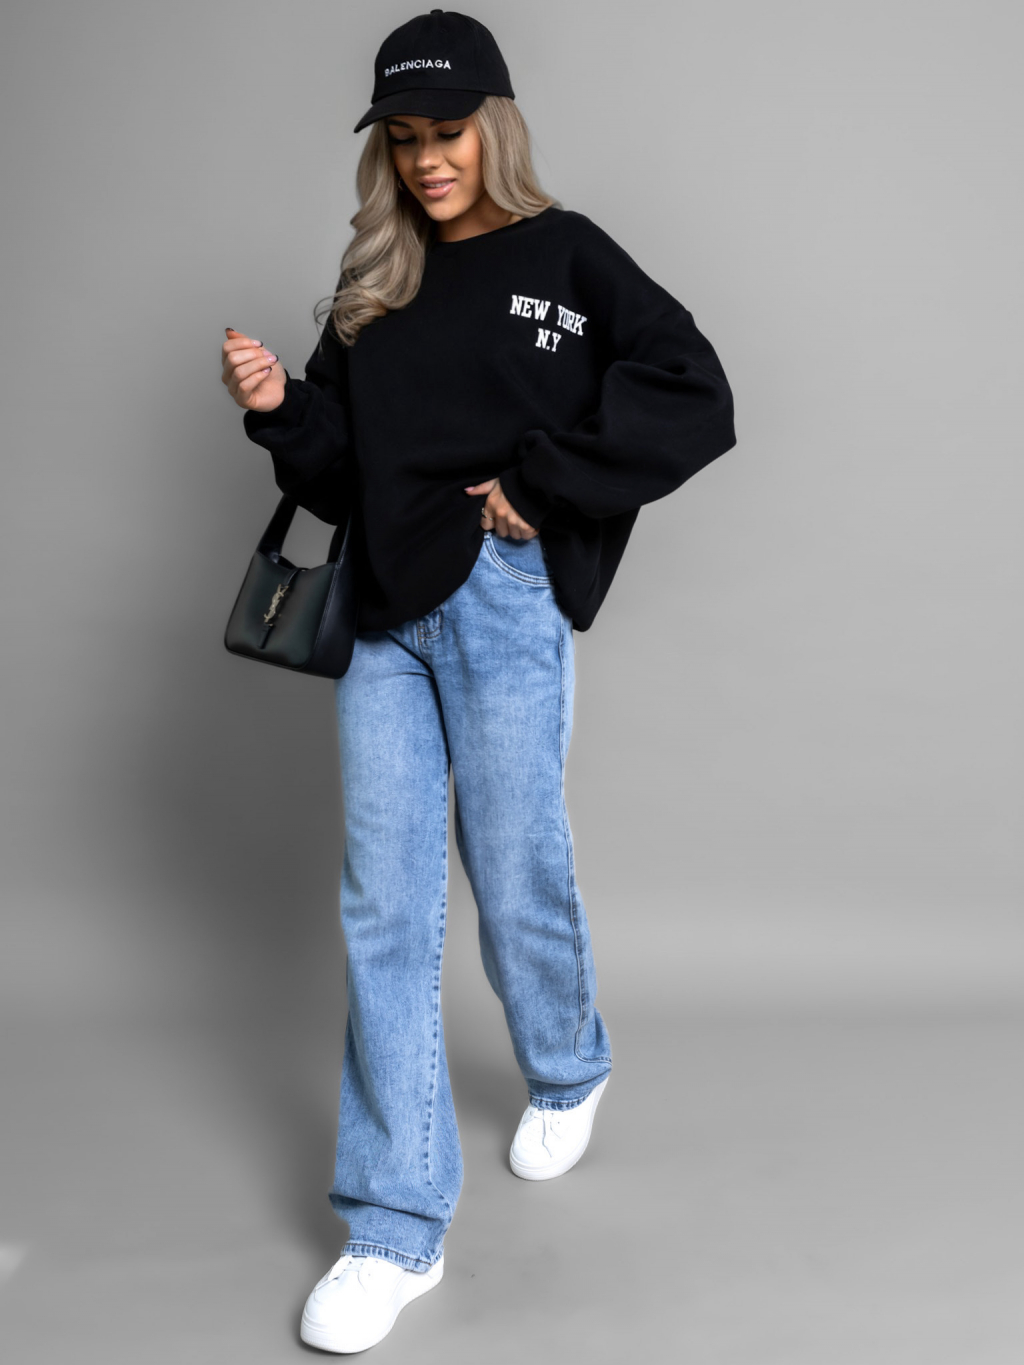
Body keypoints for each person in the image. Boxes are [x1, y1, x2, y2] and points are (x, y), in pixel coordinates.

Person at [220, 8, 736, 1354]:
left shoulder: (568, 255)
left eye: (446, 132)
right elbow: (342, 470)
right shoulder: (375, 279)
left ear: (494, 126)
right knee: (384, 909)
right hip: (383, 615)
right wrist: (280, 408)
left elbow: (697, 390)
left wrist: (544, 487)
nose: (427, 160)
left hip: (504, 605)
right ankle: (394, 1228)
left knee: (514, 869)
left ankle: (567, 1064)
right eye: (404, 139)